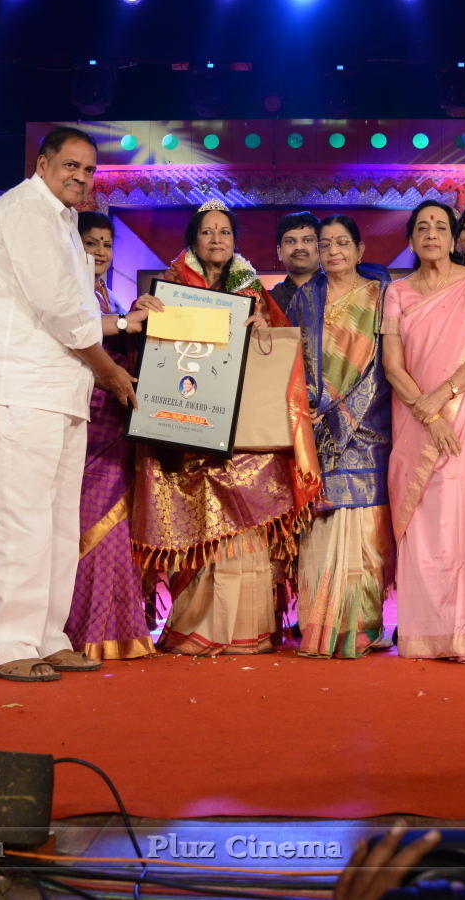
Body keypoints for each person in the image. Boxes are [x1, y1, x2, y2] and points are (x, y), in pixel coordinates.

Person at [0, 127, 136, 681]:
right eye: (70, 166)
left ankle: (47, 636)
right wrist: (109, 371)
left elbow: (78, 314)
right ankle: (9, 645)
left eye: (88, 171)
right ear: (42, 163)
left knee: (60, 521)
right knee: (21, 517)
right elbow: (61, 309)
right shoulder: (23, 211)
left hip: (61, 389)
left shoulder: (63, 221)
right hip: (20, 383)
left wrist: (128, 323)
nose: (80, 178)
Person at [129, 201, 321, 655]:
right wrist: (143, 313)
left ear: (236, 243)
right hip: (188, 434)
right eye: (208, 232)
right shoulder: (172, 287)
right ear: (193, 240)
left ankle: (247, 631)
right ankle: (197, 627)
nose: (217, 239)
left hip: (245, 435)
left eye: (225, 233)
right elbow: (150, 352)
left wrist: (262, 325)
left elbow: (280, 348)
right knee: (196, 529)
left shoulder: (252, 290)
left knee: (248, 526)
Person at [383, 202, 465, 662]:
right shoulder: (397, 292)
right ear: (412, 237)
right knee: (422, 523)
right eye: (422, 227)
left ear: (454, 235)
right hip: (417, 417)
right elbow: (392, 366)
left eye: (441, 226)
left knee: (463, 520)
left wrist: (443, 397)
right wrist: (430, 414)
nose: (432, 233)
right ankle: (425, 634)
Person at [287, 215, 395, 658]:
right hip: (311, 425)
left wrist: (342, 411)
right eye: (325, 243)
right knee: (321, 527)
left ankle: (363, 626)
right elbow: (288, 353)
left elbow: (385, 361)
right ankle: (318, 623)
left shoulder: (381, 297)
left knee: (365, 531)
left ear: (360, 250)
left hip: (367, 423)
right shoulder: (302, 301)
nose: (333, 251)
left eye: (342, 243)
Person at [67, 211, 156, 660]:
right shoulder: (69, 291)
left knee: (116, 524)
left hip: (117, 424)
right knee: (83, 521)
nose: (100, 252)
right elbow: (79, 337)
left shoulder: (109, 295)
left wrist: (139, 317)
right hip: (81, 421)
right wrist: (127, 323)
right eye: (90, 242)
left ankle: (115, 628)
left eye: (106, 244)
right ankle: (78, 628)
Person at [270, 210, 320, 316]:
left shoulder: (341, 294)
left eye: (307, 240)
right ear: (279, 252)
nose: (299, 247)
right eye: (290, 241)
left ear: (321, 248)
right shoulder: (268, 302)